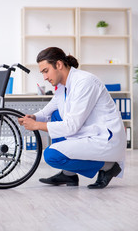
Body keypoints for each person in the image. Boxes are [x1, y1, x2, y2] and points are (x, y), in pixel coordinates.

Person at [18, 47, 126, 189]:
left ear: (59, 65)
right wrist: (34, 117)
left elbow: (71, 126)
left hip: (105, 138)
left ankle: (108, 166)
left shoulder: (84, 82)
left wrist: (36, 125)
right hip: (88, 132)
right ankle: (68, 174)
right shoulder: (63, 86)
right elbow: (49, 110)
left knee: (51, 155)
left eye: (46, 71)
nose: (44, 77)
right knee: (56, 114)